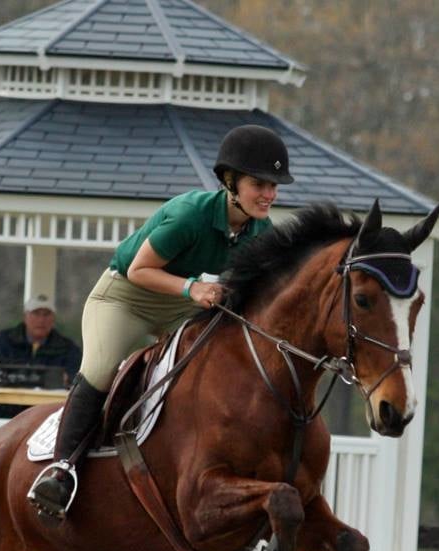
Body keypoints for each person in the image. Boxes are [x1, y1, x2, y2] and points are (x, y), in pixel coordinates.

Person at [28, 124, 294, 520]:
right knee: (102, 370)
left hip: (179, 311)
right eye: (260, 184)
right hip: (124, 300)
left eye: (274, 186)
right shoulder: (191, 215)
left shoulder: (260, 232)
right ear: (230, 182)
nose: (270, 195)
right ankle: (60, 471)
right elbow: (139, 270)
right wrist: (192, 290)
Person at [0, 294, 82, 418]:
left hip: (46, 413)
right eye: (36, 313)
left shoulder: (68, 348)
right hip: (4, 409)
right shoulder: (2, 341)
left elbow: (79, 379)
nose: (41, 319)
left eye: (46, 314)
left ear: (53, 318)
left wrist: (67, 379)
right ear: (25, 316)